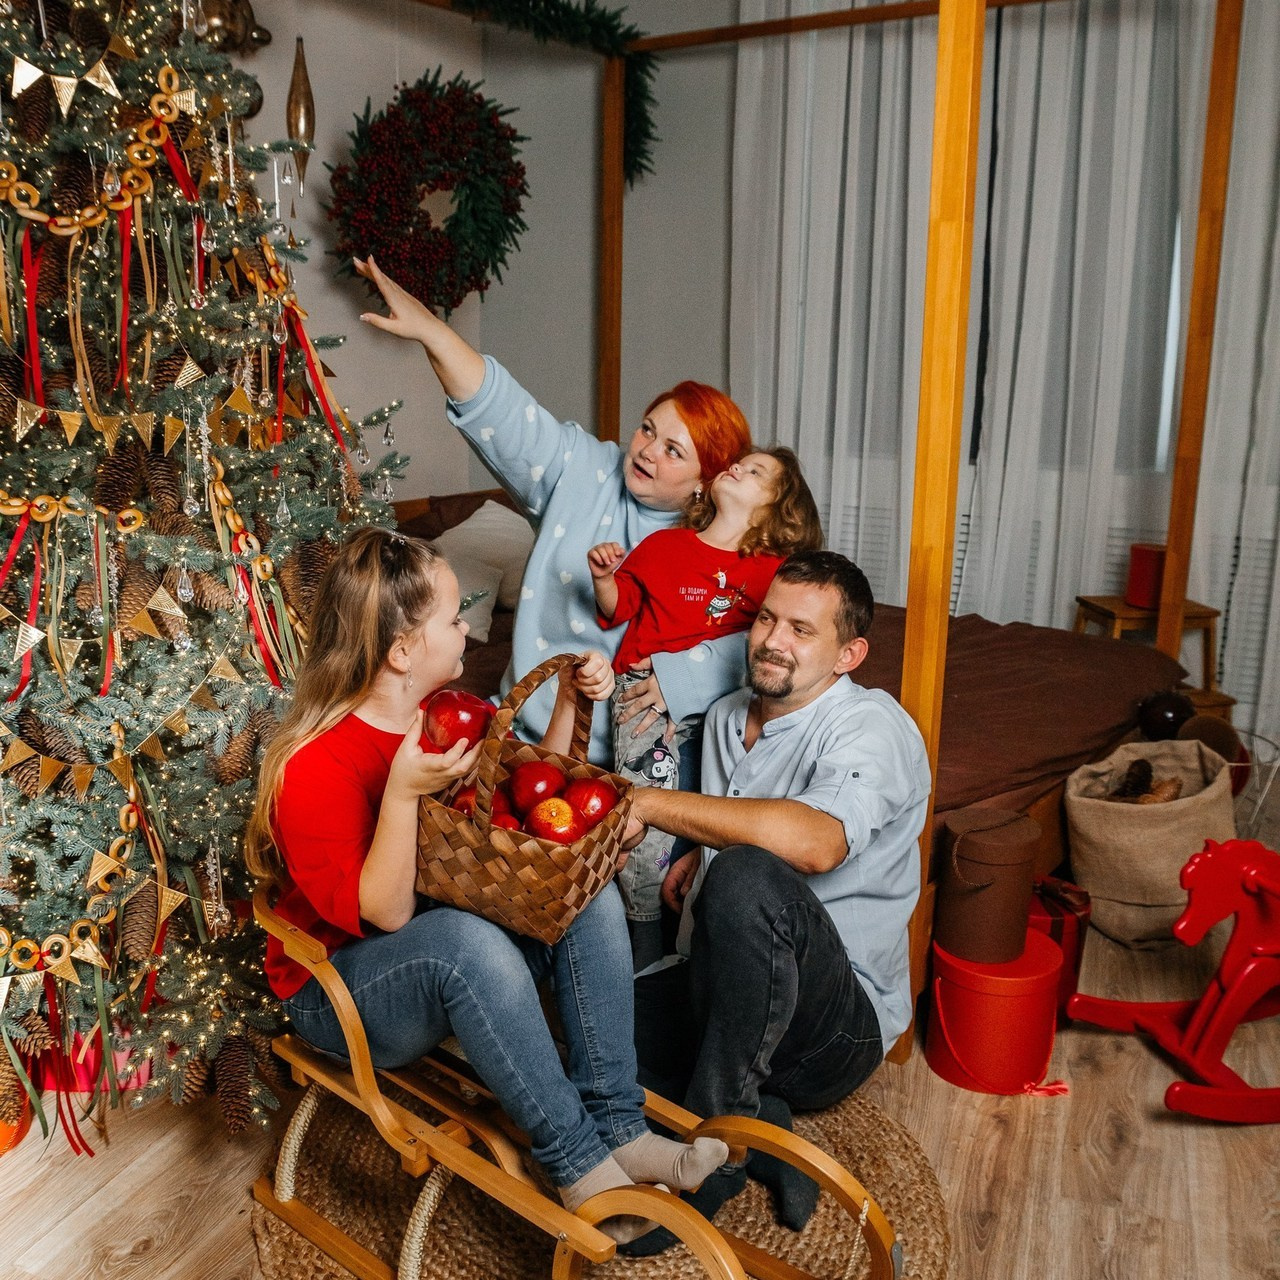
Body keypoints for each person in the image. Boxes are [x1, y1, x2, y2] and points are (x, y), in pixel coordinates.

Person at [244, 527, 729, 1242]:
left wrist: (569, 701)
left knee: (578, 892)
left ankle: (620, 1125)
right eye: (452, 617)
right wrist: (404, 794)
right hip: (340, 991)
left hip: (447, 958)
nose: (469, 626)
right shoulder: (316, 766)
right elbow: (385, 912)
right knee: (465, 942)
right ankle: (578, 1166)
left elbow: (521, 821)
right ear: (403, 650)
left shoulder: (452, 715)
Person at [619, 550, 931, 1253]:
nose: (772, 641)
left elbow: (816, 844)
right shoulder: (730, 715)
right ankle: (764, 1120)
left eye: (801, 629)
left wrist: (660, 809)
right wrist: (701, 848)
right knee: (586, 1020)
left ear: (849, 654)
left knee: (747, 878)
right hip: (724, 990)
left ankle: (717, 1154)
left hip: (832, 1026)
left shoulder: (871, 728)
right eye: (766, 618)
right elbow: (738, 816)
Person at [354, 255, 752, 769]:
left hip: (629, 762)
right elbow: (503, 411)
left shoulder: (720, 545)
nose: (648, 450)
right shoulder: (586, 468)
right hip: (522, 728)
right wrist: (432, 332)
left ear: (706, 482)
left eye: (674, 450)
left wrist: (679, 681)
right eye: (648, 429)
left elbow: (756, 642)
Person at [587, 447, 824, 969]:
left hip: (726, 707)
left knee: (714, 820)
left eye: (756, 471)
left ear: (776, 508)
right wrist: (605, 576)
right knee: (646, 832)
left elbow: (768, 654)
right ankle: (643, 949)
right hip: (645, 704)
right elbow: (618, 607)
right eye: (740, 462)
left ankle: (700, 947)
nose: (738, 466)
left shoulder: (772, 574)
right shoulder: (664, 545)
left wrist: (690, 676)